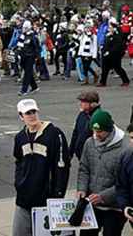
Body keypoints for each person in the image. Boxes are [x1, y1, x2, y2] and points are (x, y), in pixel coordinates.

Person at [12, 98, 70, 236]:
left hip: (46, 199)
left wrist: (58, 194)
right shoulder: (20, 137)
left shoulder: (55, 134)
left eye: (33, 112)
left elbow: (62, 165)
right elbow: (18, 162)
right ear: (21, 116)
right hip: (24, 198)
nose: (32, 115)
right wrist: (19, 183)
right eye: (27, 113)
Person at [77, 109, 128, 236]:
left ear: (109, 129)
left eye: (100, 131)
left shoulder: (125, 149)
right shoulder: (89, 143)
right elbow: (84, 169)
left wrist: (103, 196)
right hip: (92, 203)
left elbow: (125, 183)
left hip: (114, 207)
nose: (96, 134)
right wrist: (82, 188)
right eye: (94, 130)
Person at [69, 90, 101, 161]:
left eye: (83, 102)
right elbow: (75, 133)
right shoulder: (82, 114)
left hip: (93, 157)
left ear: (93, 104)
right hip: (81, 155)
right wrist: (70, 153)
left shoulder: (98, 118)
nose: (81, 104)